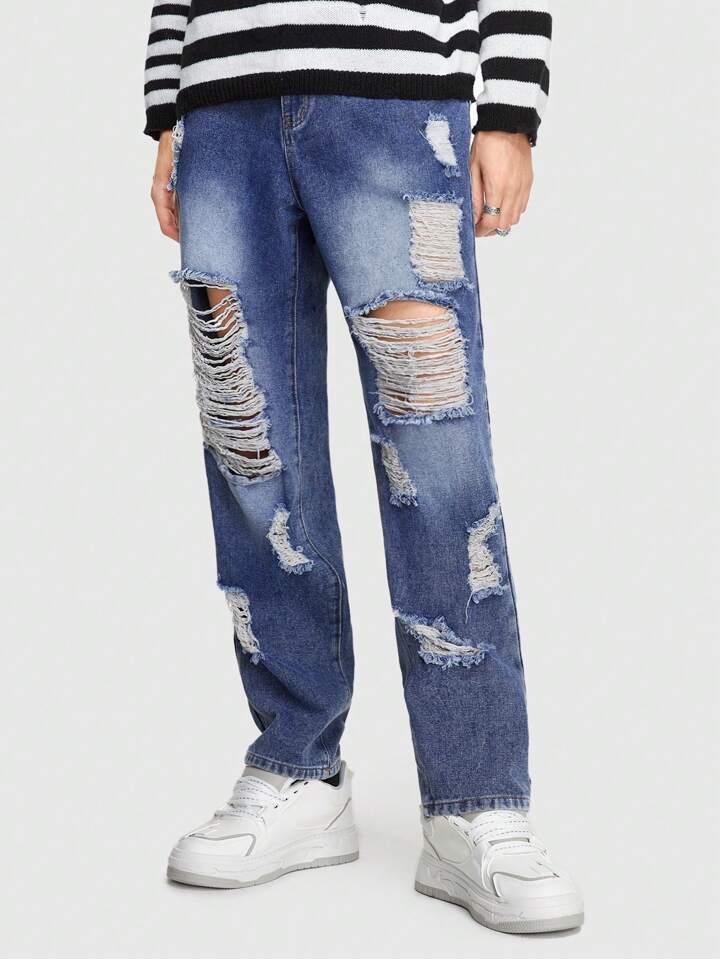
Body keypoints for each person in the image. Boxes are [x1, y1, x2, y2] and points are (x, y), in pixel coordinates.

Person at [145, 0, 583, 934]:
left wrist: (511, 108)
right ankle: (300, 767)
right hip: (221, 106)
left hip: (393, 96)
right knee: (251, 446)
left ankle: (475, 798)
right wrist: (168, 108)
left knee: (436, 444)